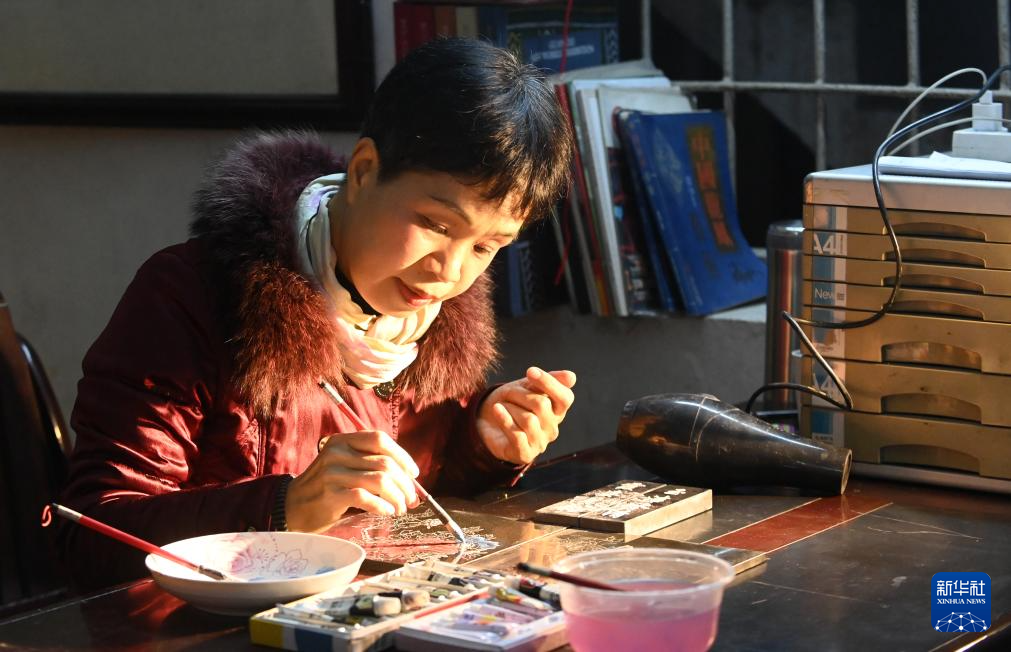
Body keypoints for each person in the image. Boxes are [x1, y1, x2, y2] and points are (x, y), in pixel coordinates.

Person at [57, 37, 575, 588]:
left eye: (486, 246)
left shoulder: (433, 323)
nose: (448, 271)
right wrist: (288, 506)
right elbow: (93, 536)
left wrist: (482, 443)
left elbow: (425, 506)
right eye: (435, 224)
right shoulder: (193, 296)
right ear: (365, 169)